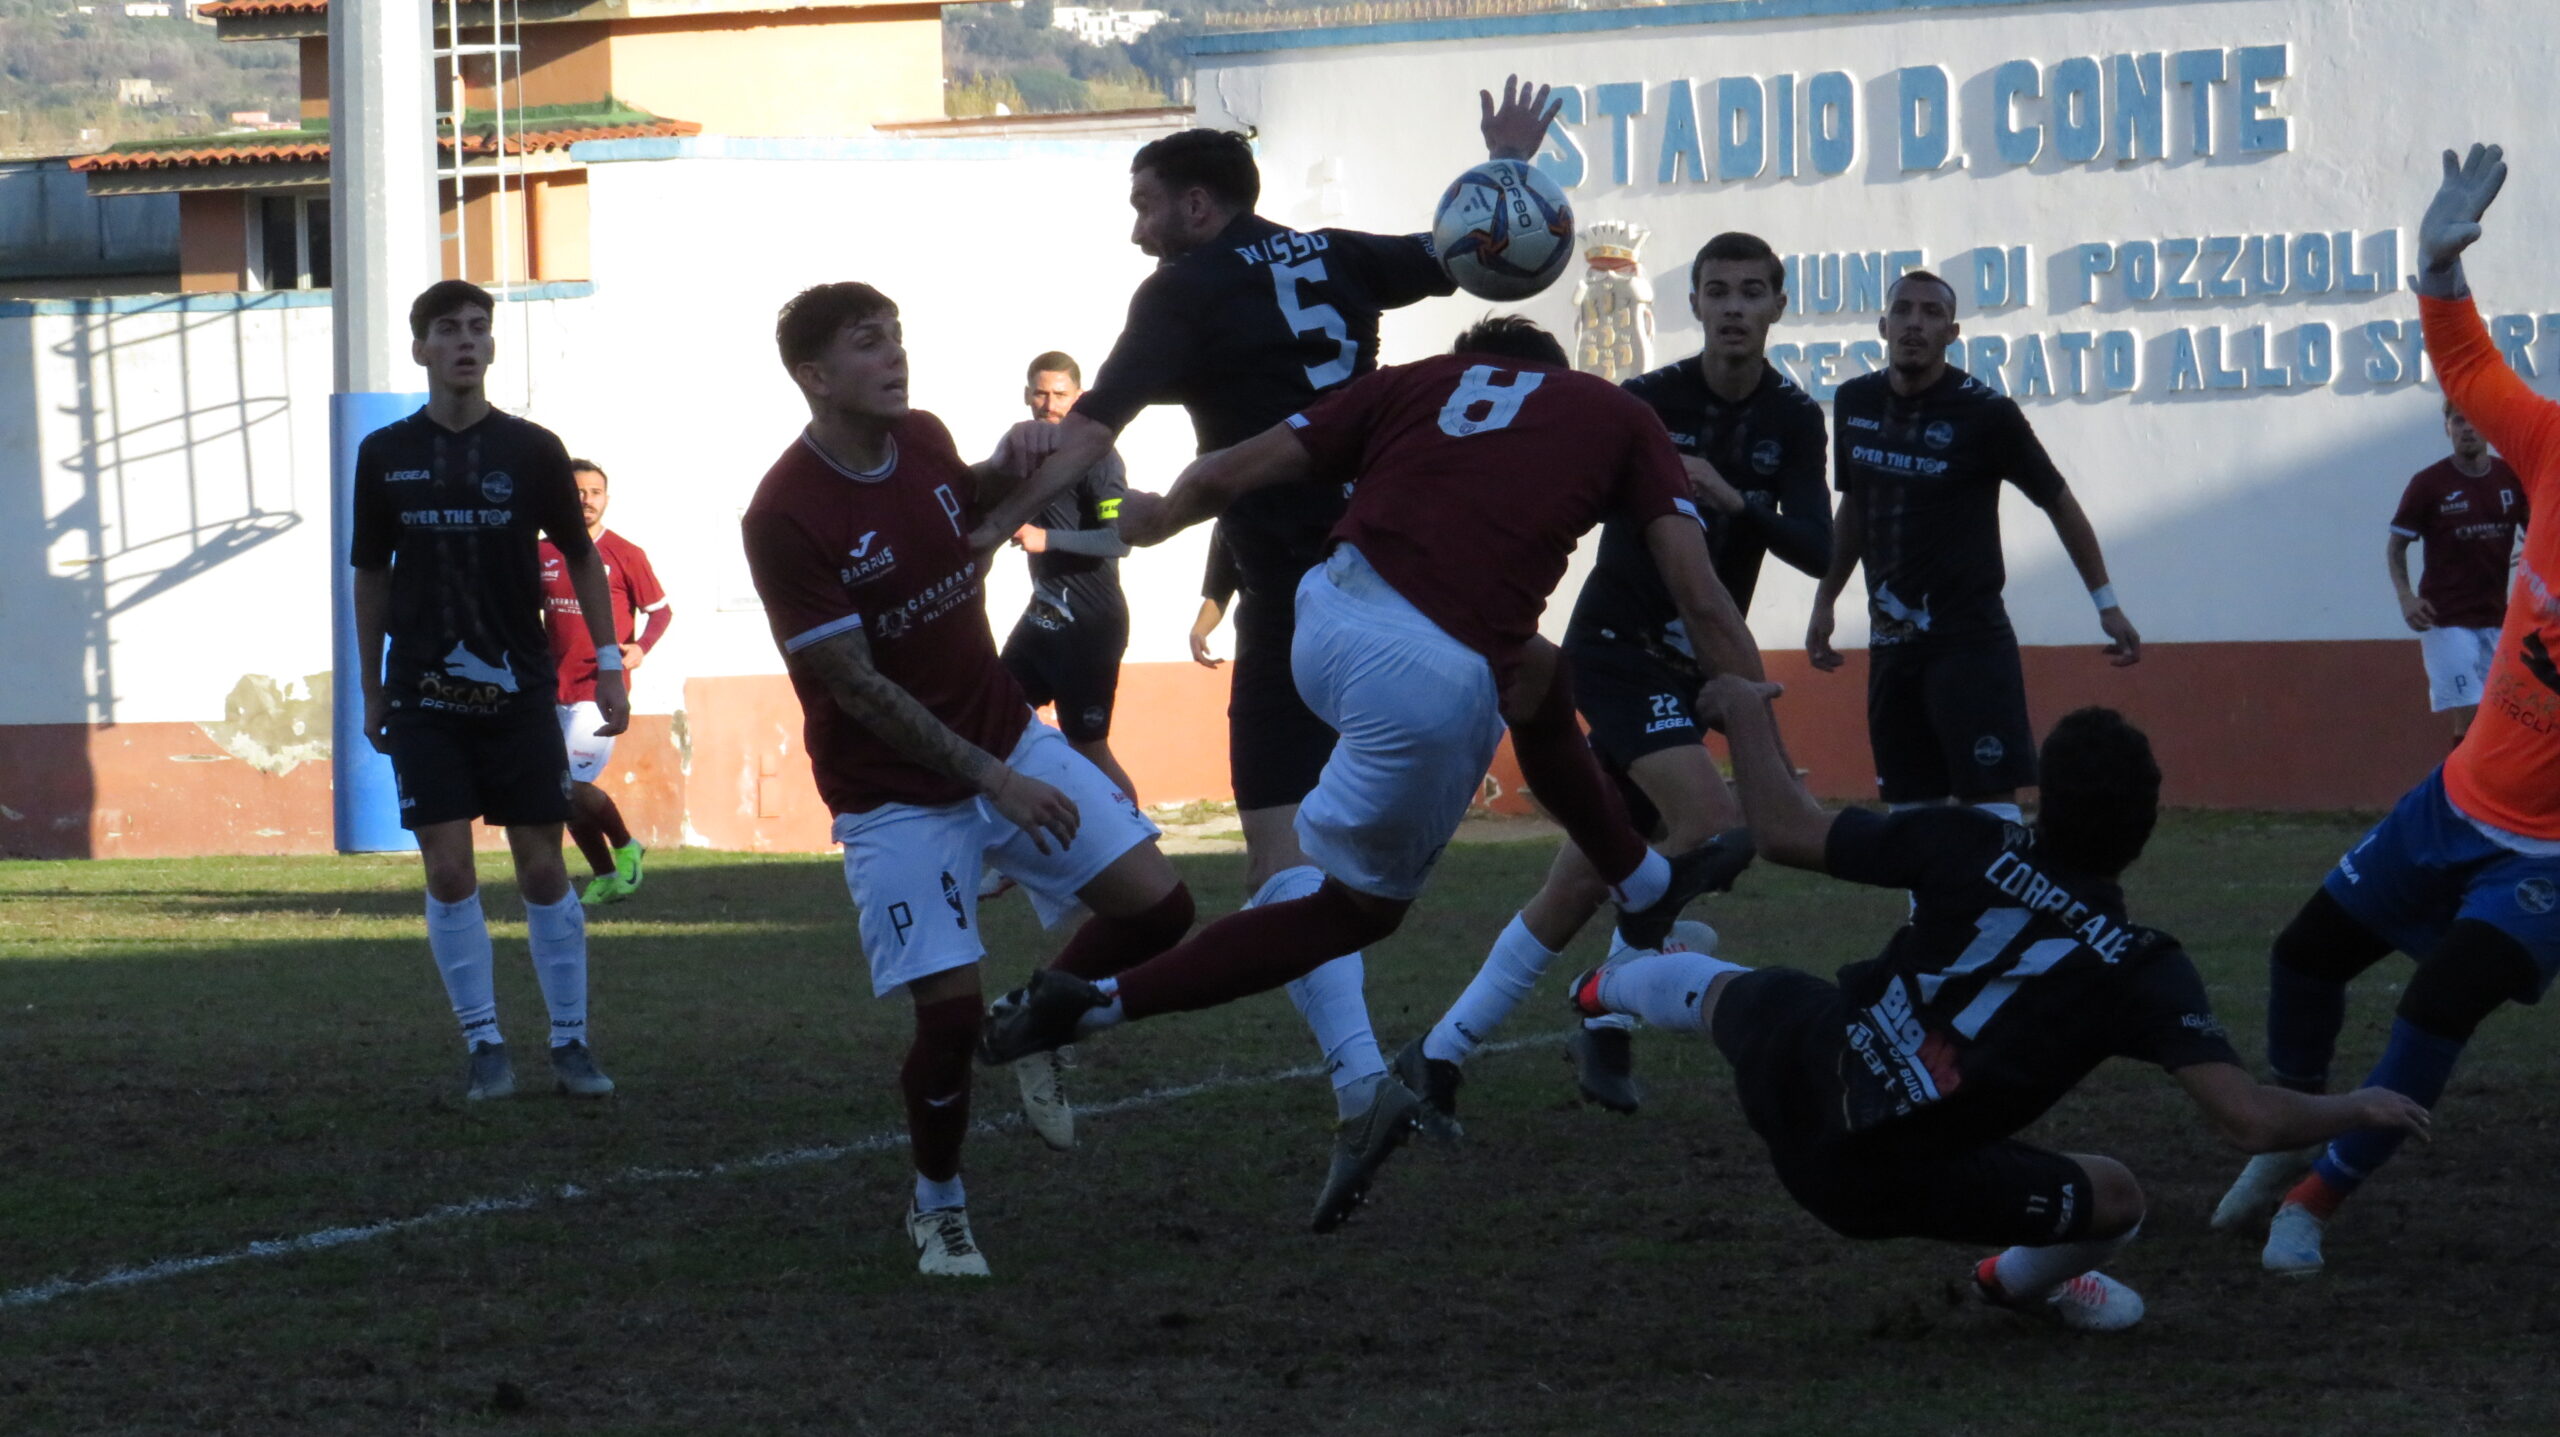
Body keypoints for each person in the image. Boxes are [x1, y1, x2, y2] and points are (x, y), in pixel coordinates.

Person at [980, 316, 1760, 1230]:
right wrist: (1755, 727)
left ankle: (1641, 880)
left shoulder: (1421, 381)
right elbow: (1699, 591)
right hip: (1423, 676)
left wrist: (1154, 520)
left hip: (1325, 614)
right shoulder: (1614, 411)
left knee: (1543, 680)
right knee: (1351, 912)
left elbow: (1228, 470)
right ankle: (1095, 1004)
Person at [963, 79, 1565, 1169]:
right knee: (1527, 721)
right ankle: (1643, 860)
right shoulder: (1335, 254)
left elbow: (1091, 428)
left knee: (1284, 864)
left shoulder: (1183, 292)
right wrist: (1510, 166)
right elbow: (1471, 249)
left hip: (1305, 597)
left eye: (1146, 203)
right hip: (1411, 574)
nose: (1136, 226)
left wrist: (981, 523)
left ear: (1201, 208)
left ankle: (1357, 1081)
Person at [1575, 678, 2430, 1331]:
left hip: (1806, 1063)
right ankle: (2019, 1280)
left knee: (1738, 987)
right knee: (2118, 1195)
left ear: (2041, 799)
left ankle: (1606, 985)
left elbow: (1787, 831)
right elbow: (2247, 1119)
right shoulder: (2143, 966)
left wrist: (1745, 710)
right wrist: (2360, 1104)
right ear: (2145, 828)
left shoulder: (1967, 839)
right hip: (1879, 1187)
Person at [740, 283, 1195, 1278]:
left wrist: (1011, 464)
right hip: (894, 790)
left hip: (1001, 738)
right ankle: (937, 1205)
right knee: (945, 1017)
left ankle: (1039, 1016)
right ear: (815, 377)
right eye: (869, 344)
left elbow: (966, 506)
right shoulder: (784, 515)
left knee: (1160, 912)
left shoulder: (926, 436)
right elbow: (852, 685)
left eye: (896, 336)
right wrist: (993, 778)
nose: (895, 356)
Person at [2213, 144, 2560, 1278]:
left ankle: (2314, 1199)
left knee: (2442, 995)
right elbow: (2468, 370)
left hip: (2547, 855)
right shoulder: (2551, 448)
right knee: (2305, 953)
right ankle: (2289, 1128)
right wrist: (2434, 265)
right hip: (2455, 802)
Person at [1405, 230, 1828, 1129]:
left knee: (1580, 880)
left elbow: (1821, 547)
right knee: (1712, 822)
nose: (1735, 309)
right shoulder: (1646, 403)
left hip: (1690, 660)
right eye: (1719, 291)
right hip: (1617, 648)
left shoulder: (1794, 418)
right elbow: (1553, 495)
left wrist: (1734, 499)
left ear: (1778, 307)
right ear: (1697, 305)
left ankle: (1436, 1054)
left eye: (1754, 292)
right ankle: (1613, 990)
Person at [350, 279, 624, 1102]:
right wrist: (371, 686)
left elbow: (580, 556)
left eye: (478, 328)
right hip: (424, 694)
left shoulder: (534, 450)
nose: (465, 341)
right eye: (448, 330)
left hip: (517, 691)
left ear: (492, 347)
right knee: (447, 868)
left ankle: (571, 1041)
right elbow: (369, 574)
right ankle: (485, 1045)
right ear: (420, 349)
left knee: (542, 868)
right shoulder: (384, 454)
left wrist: (608, 658)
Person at [1807, 270, 2142, 821]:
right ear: (1882, 324)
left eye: (1931, 313)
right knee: (1911, 808)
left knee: (1988, 804)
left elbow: (2058, 501)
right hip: (1892, 645)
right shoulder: (1854, 402)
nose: (1915, 323)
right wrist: (1825, 601)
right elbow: (1857, 508)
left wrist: (2106, 603)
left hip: (1970, 645)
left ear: (1952, 332)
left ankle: (2002, 911)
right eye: (1904, 310)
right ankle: (1926, 912)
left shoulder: (1987, 414)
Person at [1000, 352, 1140, 801]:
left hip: (1091, 624)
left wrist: (1048, 538)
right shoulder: (1027, 450)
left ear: (1078, 396)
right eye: (1040, 393)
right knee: (996, 719)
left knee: (1089, 749)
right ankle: (1016, 856)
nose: (1049, 403)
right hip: (1043, 615)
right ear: (1026, 395)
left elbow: (1119, 541)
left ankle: (1143, 851)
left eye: (1060, 394)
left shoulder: (1098, 455)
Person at [539, 458, 673, 905]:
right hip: (549, 690)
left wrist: (640, 648)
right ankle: (607, 875)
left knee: (569, 786)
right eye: (578, 492)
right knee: (560, 792)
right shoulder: (543, 552)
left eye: (595, 492)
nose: (586, 500)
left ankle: (625, 845)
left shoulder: (624, 553)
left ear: (606, 500)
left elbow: (660, 611)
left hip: (598, 692)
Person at [2388, 400, 2525, 741]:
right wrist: (2406, 598)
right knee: (2472, 718)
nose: (2467, 428)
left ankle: (2485, 792)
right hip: (2446, 620)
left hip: (2496, 619)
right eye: (2459, 421)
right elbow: (2396, 546)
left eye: (2475, 420)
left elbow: (2539, 530)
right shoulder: (2428, 484)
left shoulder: (2511, 478)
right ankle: (2459, 795)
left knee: (2502, 720)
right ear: (2447, 428)